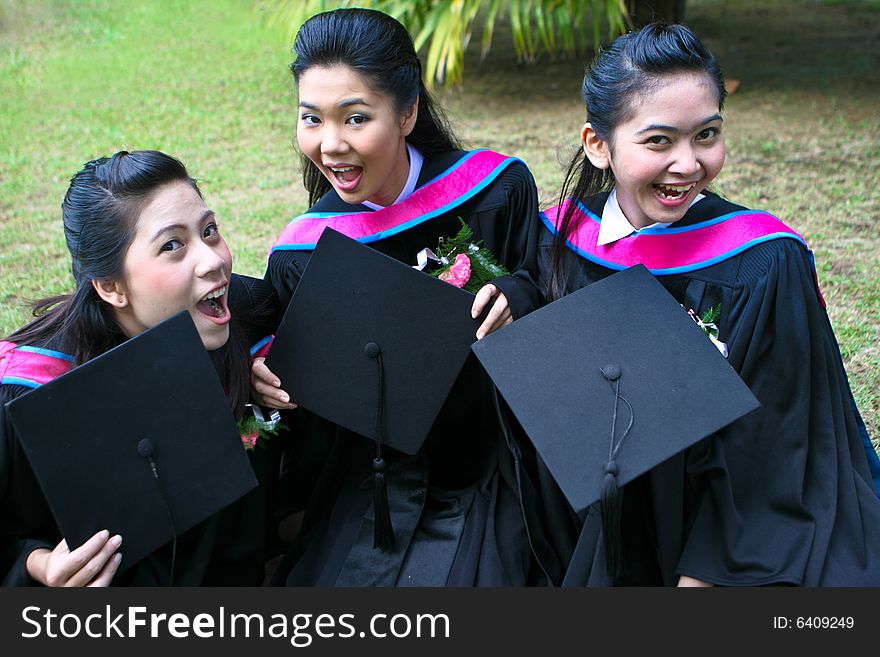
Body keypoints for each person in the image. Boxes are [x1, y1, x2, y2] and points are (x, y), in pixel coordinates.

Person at [539, 22, 880, 586]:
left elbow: (776, 440)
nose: (688, 164)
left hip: (715, 509)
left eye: (706, 134)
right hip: (582, 513)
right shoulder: (555, 236)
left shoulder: (763, 261)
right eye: (658, 141)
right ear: (599, 145)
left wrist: (705, 574)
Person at [254, 8, 545, 586]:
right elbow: (300, 385)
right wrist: (264, 370)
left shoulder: (494, 190)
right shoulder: (302, 252)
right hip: (372, 481)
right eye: (311, 118)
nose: (330, 144)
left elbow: (547, 280)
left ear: (408, 112)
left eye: (355, 118)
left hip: (494, 464)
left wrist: (517, 293)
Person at [0, 150, 280, 586]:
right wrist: (41, 566)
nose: (213, 261)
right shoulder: (30, 390)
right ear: (111, 287)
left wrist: (270, 362)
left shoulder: (241, 314)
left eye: (209, 231)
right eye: (173, 245)